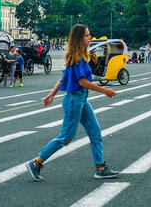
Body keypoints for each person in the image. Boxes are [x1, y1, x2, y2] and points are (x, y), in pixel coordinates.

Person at [26, 24, 118, 182]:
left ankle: (100, 168)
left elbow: (63, 78)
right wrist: (105, 91)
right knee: (66, 137)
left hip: (80, 99)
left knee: (95, 132)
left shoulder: (80, 55)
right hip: (75, 100)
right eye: (87, 35)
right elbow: (82, 82)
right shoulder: (77, 58)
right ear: (79, 38)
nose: (90, 37)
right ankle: (36, 163)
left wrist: (51, 95)